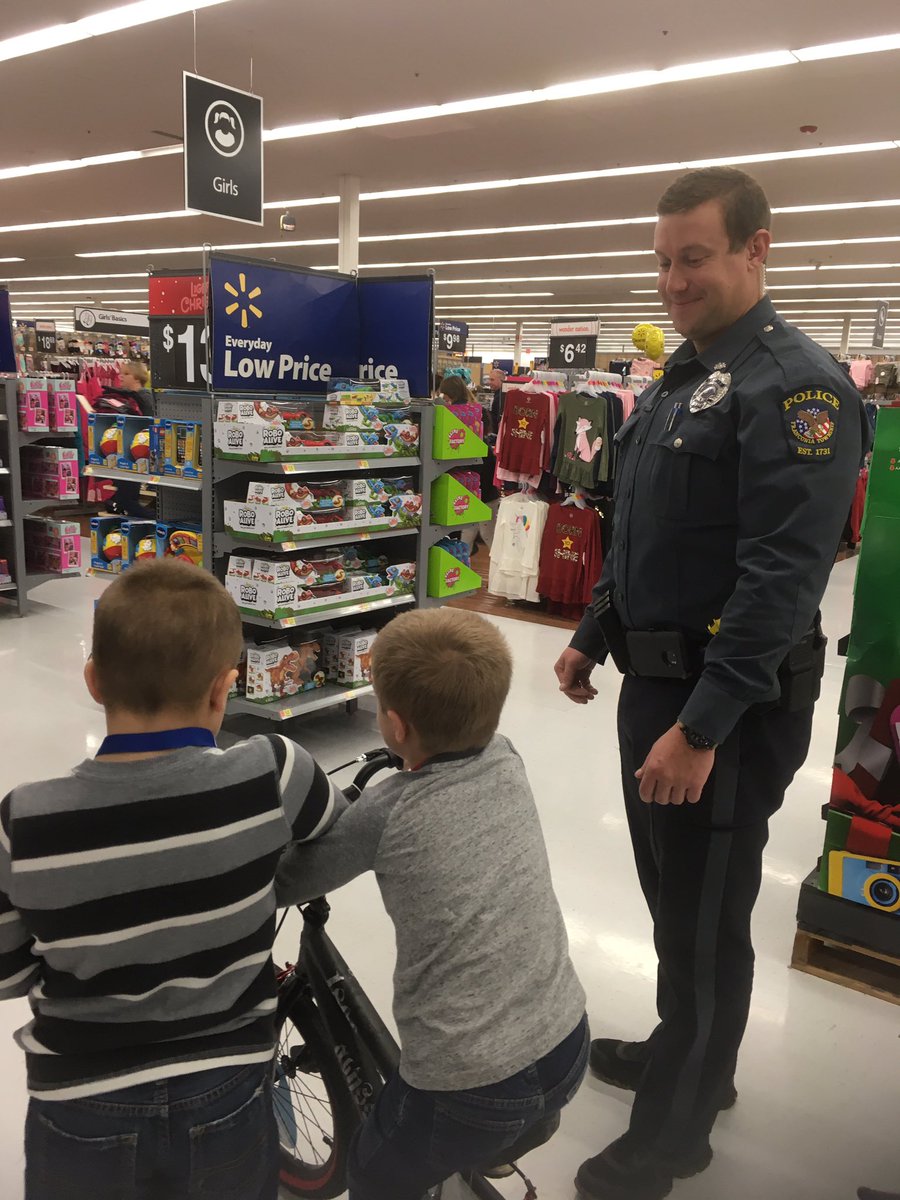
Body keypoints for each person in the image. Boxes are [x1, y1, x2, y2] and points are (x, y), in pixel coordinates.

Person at [553, 167, 871, 1200]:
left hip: (723, 709)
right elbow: (643, 531)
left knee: (704, 915)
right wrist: (591, 634)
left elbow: (780, 580)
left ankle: (675, 1132)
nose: (673, 280)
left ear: (755, 250)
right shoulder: (684, 379)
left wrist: (700, 728)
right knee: (674, 900)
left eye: (694, 257)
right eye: (662, 260)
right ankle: (694, 1052)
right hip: (661, 691)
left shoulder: (799, 388)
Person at [0, 561, 342, 1200]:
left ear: (94, 682)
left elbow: (8, 975)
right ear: (224, 689)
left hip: (82, 1103)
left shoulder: (25, 822)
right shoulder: (273, 771)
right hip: (230, 1086)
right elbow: (334, 834)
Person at [276, 607, 588, 1200]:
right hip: (568, 1045)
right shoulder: (506, 756)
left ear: (393, 725)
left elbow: (288, 882)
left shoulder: (387, 813)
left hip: (470, 1088)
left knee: (372, 1174)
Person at [109, 360, 154, 517]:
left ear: (137, 377)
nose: (121, 377)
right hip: (129, 453)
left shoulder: (143, 398)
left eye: (126, 374)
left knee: (127, 499)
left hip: (138, 453)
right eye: (121, 373)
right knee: (125, 497)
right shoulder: (129, 398)